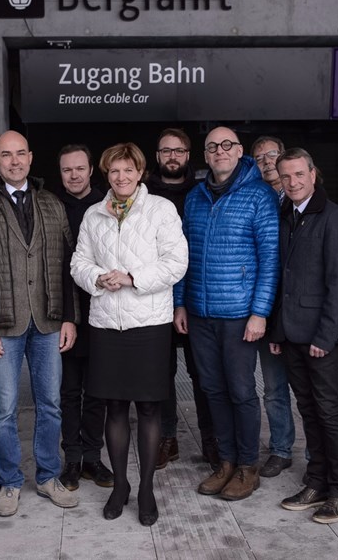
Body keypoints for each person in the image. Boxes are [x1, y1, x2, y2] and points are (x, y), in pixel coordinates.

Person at [0, 130, 79, 517]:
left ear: (30, 157)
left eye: (20, 153)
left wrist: (70, 318)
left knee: (51, 405)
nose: (14, 161)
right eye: (6, 155)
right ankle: (9, 481)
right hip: (0, 326)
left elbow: (67, 265)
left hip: (48, 322)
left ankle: (47, 477)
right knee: (3, 409)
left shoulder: (52, 204)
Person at [71, 142, 188, 526]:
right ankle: (120, 485)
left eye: (128, 170)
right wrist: (97, 278)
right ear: (107, 175)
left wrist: (133, 278)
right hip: (106, 324)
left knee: (150, 407)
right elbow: (78, 263)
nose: (121, 177)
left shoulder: (161, 210)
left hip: (149, 324)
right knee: (115, 407)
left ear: (141, 173)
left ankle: (146, 489)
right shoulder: (93, 214)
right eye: (114, 171)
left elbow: (177, 263)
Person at [176, 126, 279, 501]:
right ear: (205, 155)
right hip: (201, 313)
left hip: (239, 314)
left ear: (239, 152)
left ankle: (248, 466)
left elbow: (270, 259)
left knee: (240, 391)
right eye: (212, 147)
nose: (220, 151)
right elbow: (182, 257)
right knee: (213, 390)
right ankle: (226, 462)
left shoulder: (259, 195)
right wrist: (180, 302)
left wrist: (259, 312)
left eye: (227, 145)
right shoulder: (195, 197)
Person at [267, 148, 338, 524]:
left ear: (313, 174)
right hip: (291, 334)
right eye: (286, 177)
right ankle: (316, 480)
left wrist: (327, 335)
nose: (293, 182)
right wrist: (278, 330)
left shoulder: (333, 218)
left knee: (328, 412)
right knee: (308, 409)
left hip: (322, 339)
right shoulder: (285, 214)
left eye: (299, 175)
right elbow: (282, 278)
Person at [144, 128, 218, 471]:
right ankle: (167, 439)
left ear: (189, 156)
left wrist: (184, 301)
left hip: (196, 298)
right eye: (165, 151)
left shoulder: (203, 193)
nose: (172, 156)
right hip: (155, 297)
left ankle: (210, 440)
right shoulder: (143, 195)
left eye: (179, 150)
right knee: (161, 373)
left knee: (203, 373)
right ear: (157, 156)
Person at [54, 144, 114, 491]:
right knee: (68, 390)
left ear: (92, 170)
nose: (74, 175)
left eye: (79, 168)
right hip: (62, 314)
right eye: (67, 170)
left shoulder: (108, 205)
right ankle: (72, 459)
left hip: (101, 311)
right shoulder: (50, 205)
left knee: (97, 391)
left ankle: (93, 457)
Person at [249, 135, 295, 479]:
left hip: (301, 310)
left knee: (310, 389)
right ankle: (281, 449)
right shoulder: (255, 198)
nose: (266, 161)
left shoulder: (299, 198)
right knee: (274, 387)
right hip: (268, 307)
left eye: (272, 155)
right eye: (259, 156)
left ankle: (319, 453)